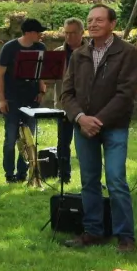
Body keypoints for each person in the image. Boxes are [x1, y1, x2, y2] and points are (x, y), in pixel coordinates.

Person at [60, 4, 137, 253]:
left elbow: (125, 94)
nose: (93, 24)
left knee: (116, 179)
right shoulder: (78, 55)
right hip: (83, 127)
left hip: (114, 126)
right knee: (89, 181)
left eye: (99, 20)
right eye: (90, 20)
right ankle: (93, 232)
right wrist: (81, 118)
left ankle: (125, 237)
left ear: (113, 24)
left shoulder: (127, 53)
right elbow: (67, 93)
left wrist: (98, 120)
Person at [0, 18, 45, 183]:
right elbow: (0, 75)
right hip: (12, 99)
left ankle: (23, 173)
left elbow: (41, 73)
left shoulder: (41, 48)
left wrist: (41, 90)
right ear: (30, 33)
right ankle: (9, 174)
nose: (41, 35)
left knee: (28, 140)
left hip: (31, 99)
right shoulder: (9, 48)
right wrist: (2, 100)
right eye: (38, 32)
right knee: (11, 139)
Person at [56, 18, 85, 183]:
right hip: (64, 104)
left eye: (73, 33)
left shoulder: (93, 51)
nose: (69, 36)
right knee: (63, 143)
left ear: (82, 33)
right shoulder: (58, 52)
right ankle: (63, 176)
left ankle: (89, 177)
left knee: (88, 145)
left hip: (86, 105)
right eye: (66, 33)